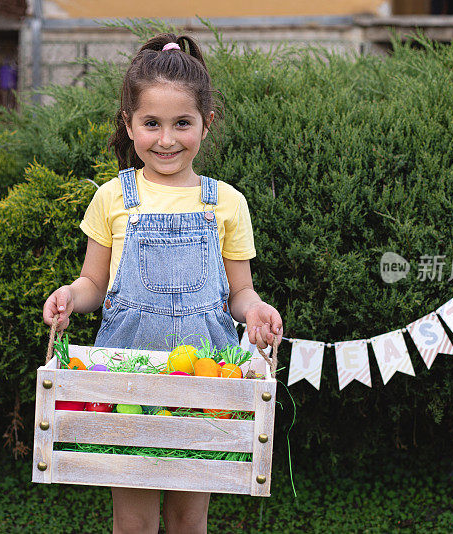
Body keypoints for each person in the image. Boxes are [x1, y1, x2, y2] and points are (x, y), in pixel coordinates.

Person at [42, 33, 283, 534]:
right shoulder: (113, 198)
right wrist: (69, 295)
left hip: (203, 384)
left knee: (189, 519)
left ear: (206, 125)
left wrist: (256, 309)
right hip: (128, 383)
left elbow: (239, 292)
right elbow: (94, 282)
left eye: (182, 124)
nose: (166, 139)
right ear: (129, 125)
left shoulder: (227, 203)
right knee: (132, 521)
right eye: (151, 124)